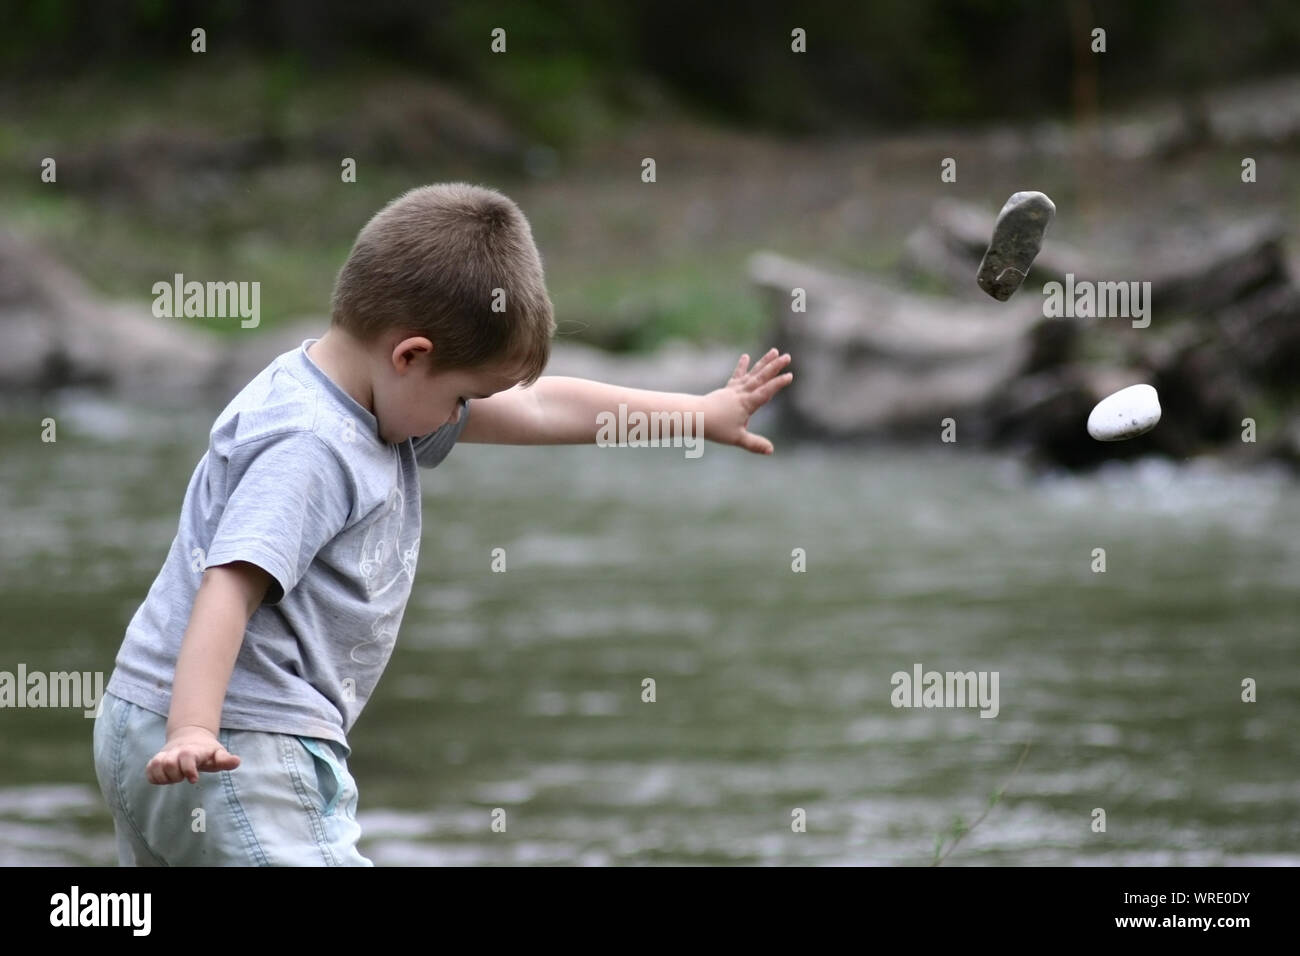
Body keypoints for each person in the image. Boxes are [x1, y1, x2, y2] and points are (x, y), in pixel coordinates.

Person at [93, 182, 793, 865]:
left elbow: (544, 409)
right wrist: (192, 727)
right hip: (236, 745)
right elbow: (229, 584)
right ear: (411, 355)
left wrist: (699, 416)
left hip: (153, 729)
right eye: (464, 396)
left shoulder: (363, 393)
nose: (465, 414)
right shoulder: (311, 443)